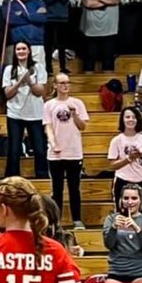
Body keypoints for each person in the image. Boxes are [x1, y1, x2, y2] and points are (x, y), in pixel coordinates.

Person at [43, 74, 90, 229]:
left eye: (67, 83)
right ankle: (56, 221)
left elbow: (82, 126)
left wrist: (75, 114)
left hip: (74, 151)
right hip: (55, 153)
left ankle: (77, 220)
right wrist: (53, 143)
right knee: (57, 189)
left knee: (74, 187)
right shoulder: (49, 105)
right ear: (55, 85)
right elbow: (48, 126)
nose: (65, 86)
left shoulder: (77, 103)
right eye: (62, 83)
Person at [1, 41, 48, 179]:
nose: (21, 51)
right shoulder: (9, 69)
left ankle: (42, 177)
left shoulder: (38, 67)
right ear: (14, 52)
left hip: (35, 114)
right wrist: (18, 83)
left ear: (29, 51)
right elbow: (7, 93)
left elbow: (40, 92)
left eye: (23, 49)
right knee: (14, 149)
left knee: (39, 149)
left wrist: (29, 81)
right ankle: (12, 178)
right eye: (18, 49)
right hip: (15, 114)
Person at [101, 185, 142, 283]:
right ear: (121, 200)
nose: (129, 202)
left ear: (140, 200)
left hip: (141, 272)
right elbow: (108, 245)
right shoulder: (111, 219)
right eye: (126, 198)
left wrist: (137, 229)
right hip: (117, 271)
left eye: (134, 198)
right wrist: (113, 228)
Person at [0, 0, 49, 71]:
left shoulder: (39, 3)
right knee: (14, 75)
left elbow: (42, 19)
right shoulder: (7, 3)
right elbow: (11, 20)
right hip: (15, 45)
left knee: (38, 74)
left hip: (36, 44)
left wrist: (22, 14)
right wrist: (33, 15)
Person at [108, 106, 142, 204]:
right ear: (122, 120)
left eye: (133, 117)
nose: (131, 120)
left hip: (141, 180)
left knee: (141, 214)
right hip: (122, 179)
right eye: (127, 117)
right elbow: (112, 165)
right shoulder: (116, 140)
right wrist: (129, 159)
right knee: (121, 213)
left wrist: (141, 157)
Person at [80, 0, 120, 72]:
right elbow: (88, 3)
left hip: (109, 32)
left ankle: (109, 87)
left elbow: (115, 0)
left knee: (108, 61)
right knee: (89, 61)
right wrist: (106, 1)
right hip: (91, 33)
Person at [41, 0, 73, 72]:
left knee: (62, 45)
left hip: (62, 19)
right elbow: (47, 0)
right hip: (49, 18)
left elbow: (65, 0)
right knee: (48, 45)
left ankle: (63, 67)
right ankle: (48, 67)